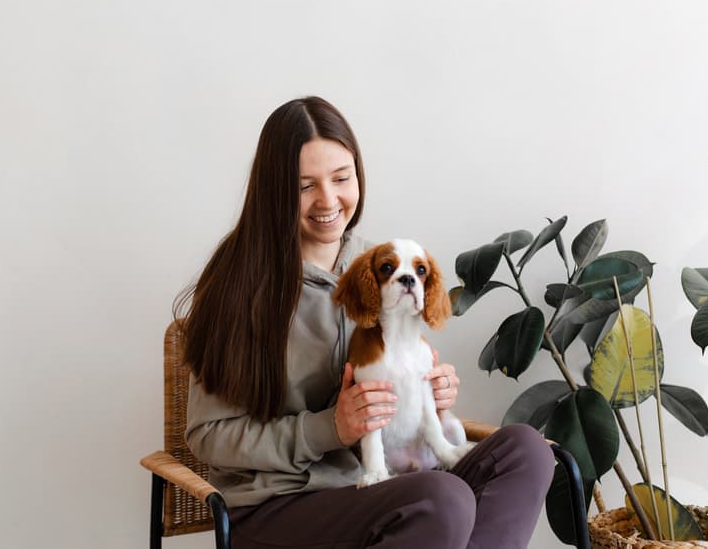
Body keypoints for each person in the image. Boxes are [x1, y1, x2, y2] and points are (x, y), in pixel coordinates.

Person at [176, 96, 555, 548]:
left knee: (526, 452)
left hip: (373, 486)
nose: (329, 200)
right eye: (304, 186)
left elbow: (398, 378)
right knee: (441, 499)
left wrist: (434, 397)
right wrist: (329, 429)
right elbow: (209, 437)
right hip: (277, 506)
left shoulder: (382, 267)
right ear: (274, 190)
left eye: (341, 178)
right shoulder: (238, 285)